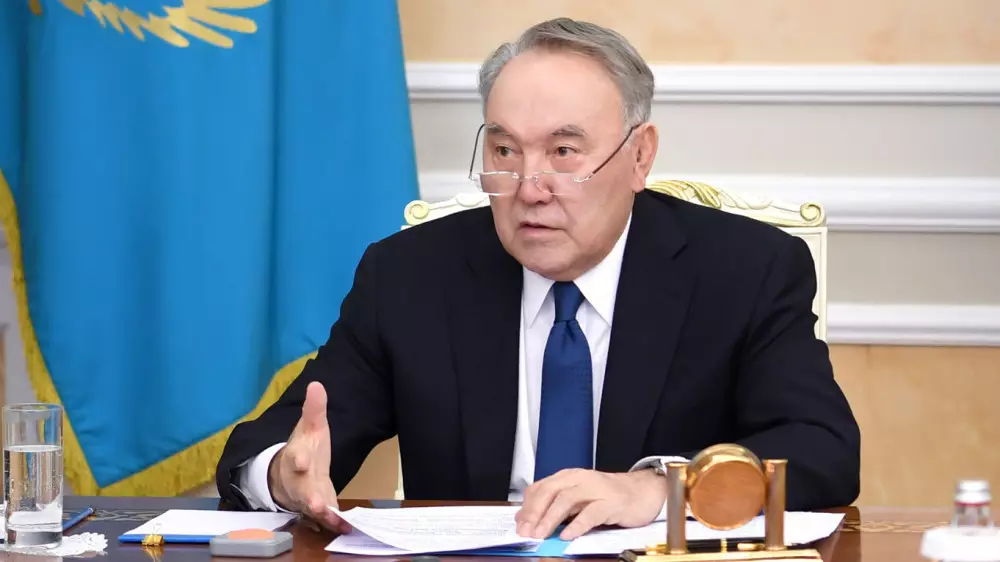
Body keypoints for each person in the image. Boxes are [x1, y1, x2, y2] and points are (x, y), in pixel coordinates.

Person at [216, 17, 860, 540]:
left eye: (563, 152)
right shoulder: (411, 275)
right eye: (505, 151)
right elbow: (273, 447)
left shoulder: (744, 270)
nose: (529, 188)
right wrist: (281, 477)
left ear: (640, 156)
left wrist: (661, 490)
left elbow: (822, 452)